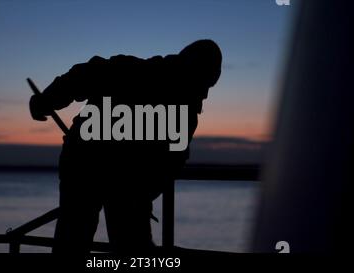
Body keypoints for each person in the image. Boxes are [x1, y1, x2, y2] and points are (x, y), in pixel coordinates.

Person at [29, 39, 222, 254]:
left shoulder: (182, 108)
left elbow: (170, 163)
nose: (204, 94)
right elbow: (85, 75)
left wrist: (143, 194)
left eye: (208, 86)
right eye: (205, 84)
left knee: (91, 241)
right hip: (87, 167)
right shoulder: (137, 73)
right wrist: (46, 100)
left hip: (121, 181)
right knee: (78, 238)